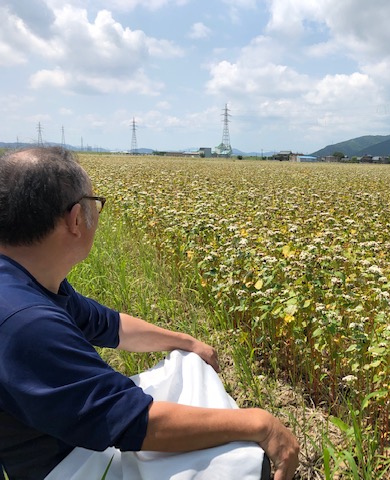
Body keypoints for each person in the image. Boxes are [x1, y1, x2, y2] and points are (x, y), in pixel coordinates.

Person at [0, 147, 300, 480]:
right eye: (94, 203)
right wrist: (260, 424)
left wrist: (188, 342)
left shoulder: (25, 279)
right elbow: (133, 424)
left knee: (188, 362)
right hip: (67, 464)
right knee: (238, 460)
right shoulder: (27, 321)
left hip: (70, 433)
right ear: (74, 220)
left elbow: (109, 325)